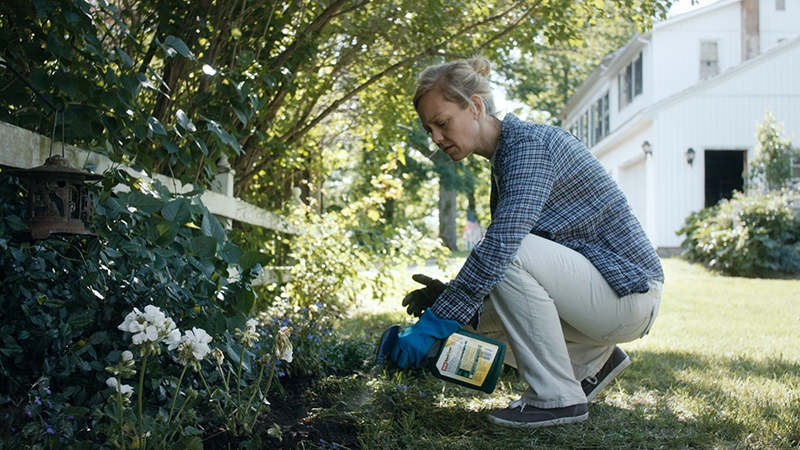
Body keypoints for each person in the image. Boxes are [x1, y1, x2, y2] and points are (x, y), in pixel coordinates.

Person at [388, 57, 664, 428]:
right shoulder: (505, 159)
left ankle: (557, 399)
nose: (436, 138)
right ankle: (592, 364)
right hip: (603, 300)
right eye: (429, 129)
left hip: (629, 294)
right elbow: (513, 283)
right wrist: (447, 299)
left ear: (475, 107)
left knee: (508, 253)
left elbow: (504, 246)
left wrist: (436, 321)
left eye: (441, 123)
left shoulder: (529, 147)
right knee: (469, 318)